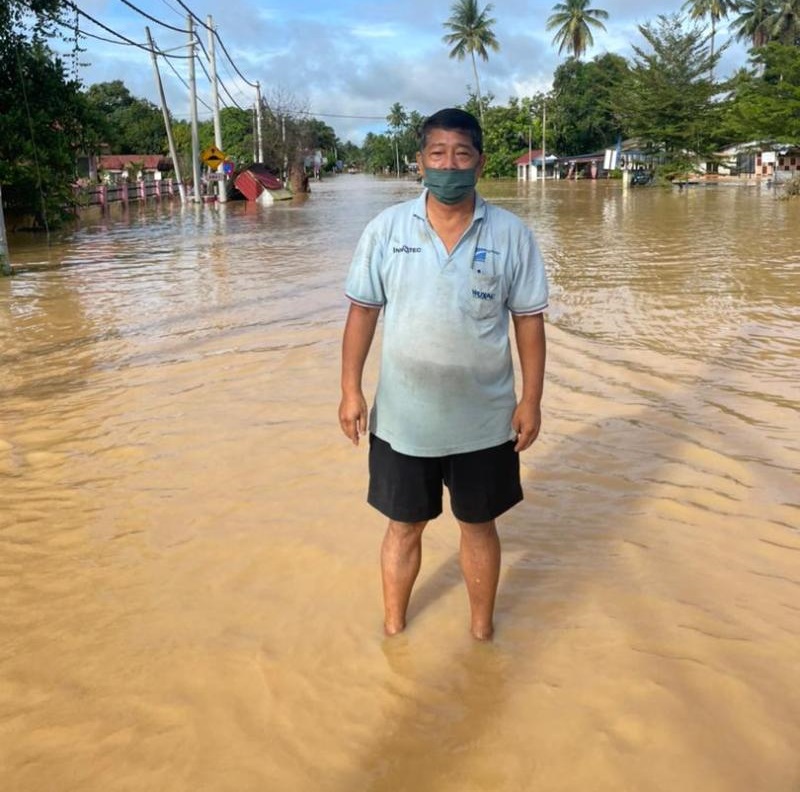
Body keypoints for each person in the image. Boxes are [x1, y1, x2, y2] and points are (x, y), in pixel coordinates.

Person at [339, 108, 548, 640]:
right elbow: (363, 311)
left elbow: (528, 321)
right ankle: (394, 631)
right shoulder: (386, 230)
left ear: (480, 163)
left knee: (479, 526)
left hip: (484, 420)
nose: (448, 165)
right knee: (403, 526)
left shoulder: (511, 234)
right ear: (420, 162)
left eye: (461, 154)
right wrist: (349, 390)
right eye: (437, 154)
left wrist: (531, 401)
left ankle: (482, 636)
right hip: (404, 419)